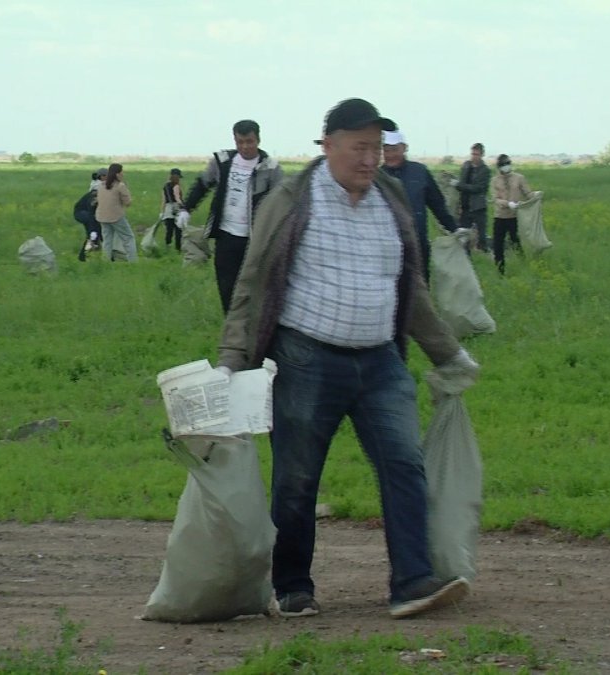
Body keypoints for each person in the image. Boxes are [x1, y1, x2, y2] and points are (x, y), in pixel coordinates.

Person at [216, 97, 479, 620]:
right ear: (328, 146)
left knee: (404, 464)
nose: (370, 159)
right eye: (359, 147)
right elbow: (252, 281)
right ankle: (292, 587)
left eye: (377, 148)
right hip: (305, 358)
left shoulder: (392, 198)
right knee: (297, 477)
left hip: (381, 361)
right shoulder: (291, 200)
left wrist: (448, 352)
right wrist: (232, 358)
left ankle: (412, 581)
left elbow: (413, 288)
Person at [182, 120, 284, 313]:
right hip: (226, 235)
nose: (245, 146)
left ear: (258, 140)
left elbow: (281, 201)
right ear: (235, 141)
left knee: (254, 287)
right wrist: (186, 208)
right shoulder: (222, 162)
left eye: (249, 141)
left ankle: (253, 328)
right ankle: (232, 327)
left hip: (255, 239)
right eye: (240, 142)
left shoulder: (270, 167)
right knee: (227, 286)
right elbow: (203, 184)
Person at [381, 129, 461, 281]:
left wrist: (455, 230)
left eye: (394, 150)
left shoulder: (419, 172)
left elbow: (438, 205)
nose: (390, 155)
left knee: (420, 286)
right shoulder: (378, 177)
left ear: (404, 148)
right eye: (386, 150)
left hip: (418, 244)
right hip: (389, 247)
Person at [488, 154, 534, 275]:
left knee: (516, 242)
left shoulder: (519, 178)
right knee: (498, 246)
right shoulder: (495, 181)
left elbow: (527, 193)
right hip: (500, 217)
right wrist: (508, 203)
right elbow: (495, 199)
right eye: (503, 165)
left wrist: (535, 196)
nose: (506, 166)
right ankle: (500, 272)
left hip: (514, 217)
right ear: (499, 167)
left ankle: (524, 266)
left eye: (507, 163)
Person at [453, 143, 491, 252]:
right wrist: (459, 185)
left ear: (482, 155)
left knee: (481, 236)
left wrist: (460, 185)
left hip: (478, 207)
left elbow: (478, 188)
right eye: (473, 154)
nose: (474, 156)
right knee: (463, 236)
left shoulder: (485, 170)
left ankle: (484, 253)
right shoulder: (466, 166)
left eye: (476, 154)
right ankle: (466, 257)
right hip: (465, 207)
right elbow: (462, 184)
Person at [95, 163, 137, 262]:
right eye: (122, 172)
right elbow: (128, 202)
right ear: (117, 174)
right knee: (128, 238)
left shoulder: (101, 185)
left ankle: (106, 260)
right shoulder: (120, 186)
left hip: (102, 216)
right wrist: (124, 185)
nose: (123, 174)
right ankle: (133, 261)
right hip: (116, 216)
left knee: (107, 240)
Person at [73, 168, 105, 260]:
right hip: (82, 213)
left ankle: (86, 255)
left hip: (87, 213)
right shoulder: (96, 192)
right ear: (102, 177)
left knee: (98, 232)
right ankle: (84, 255)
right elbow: (91, 212)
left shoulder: (99, 187)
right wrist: (93, 230)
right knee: (94, 233)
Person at [161, 168, 185, 251]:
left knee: (169, 230)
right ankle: (178, 249)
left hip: (168, 210)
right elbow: (177, 198)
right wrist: (183, 206)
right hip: (176, 209)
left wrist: (162, 212)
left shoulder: (165, 186)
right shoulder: (176, 186)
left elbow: (163, 200)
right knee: (178, 231)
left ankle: (167, 246)